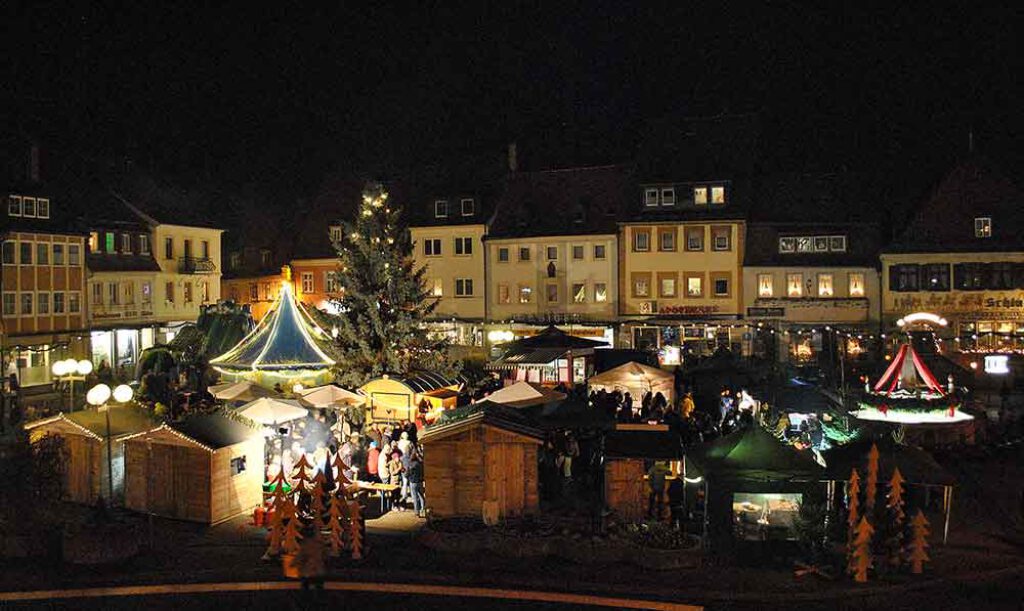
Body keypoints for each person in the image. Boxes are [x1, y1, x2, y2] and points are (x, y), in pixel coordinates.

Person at [294, 525, 326, 595]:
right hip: (318, 570)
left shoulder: (305, 545)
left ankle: (306, 598)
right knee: (319, 588)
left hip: (308, 571)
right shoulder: (319, 544)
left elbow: (301, 556)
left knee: (306, 588)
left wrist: (294, 563)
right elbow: (324, 555)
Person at [407, 450, 426, 518]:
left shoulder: (410, 464)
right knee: (421, 496)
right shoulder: (420, 464)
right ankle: (423, 510)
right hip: (420, 482)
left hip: (413, 482)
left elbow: (407, 474)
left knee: (415, 498)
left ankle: (417, 512)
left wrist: (408, 477)